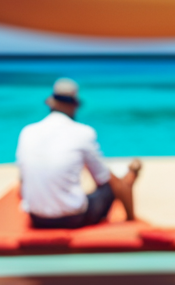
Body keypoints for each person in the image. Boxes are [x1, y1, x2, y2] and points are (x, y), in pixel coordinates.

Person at [16, 78, 142, 229]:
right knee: (112, 184)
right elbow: (104, 180)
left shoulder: (27, 132)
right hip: (72, 219)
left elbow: (22, 183)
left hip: (37, 219)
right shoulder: (83, 132)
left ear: (51, 104)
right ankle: (130, 218)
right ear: (74, 105)